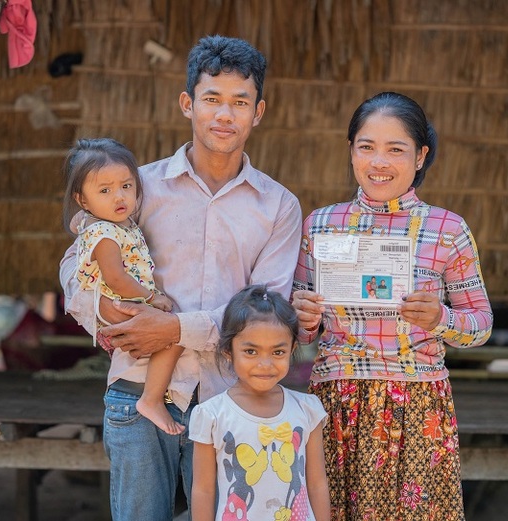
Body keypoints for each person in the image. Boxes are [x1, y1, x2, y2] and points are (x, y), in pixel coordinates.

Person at [59, 36, 302, 520]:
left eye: (240, 102)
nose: (224, 115)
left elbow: (267, 314)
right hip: (137, 386)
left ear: (259, 112)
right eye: (212, 99)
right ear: (188, 103)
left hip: (231, 397)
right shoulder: (137, 186)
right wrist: (112, 313)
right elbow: (75, 267)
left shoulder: (279, 206)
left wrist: (173, 329)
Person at [291, 92, 493, 520]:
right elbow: (302, 332)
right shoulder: (321, 225)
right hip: (336, 401)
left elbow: (481, 324)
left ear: (420, 156)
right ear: (351, 152)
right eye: (367, 147)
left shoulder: (447, 229)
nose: (379, 162)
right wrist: (302, 318)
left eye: (395, 149)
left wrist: (440, 318)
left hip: (417, 404)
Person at [61, 137, 185, 436]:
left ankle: (152, 396)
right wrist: (152, 297)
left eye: (126, 187)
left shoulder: (111, 223)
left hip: (122, 301)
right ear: (82, 199)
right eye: (105, 190)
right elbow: (116, 278)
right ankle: (151, 400)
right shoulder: (104, 234)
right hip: (122, 302)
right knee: (176, 337)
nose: (119, 197)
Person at [190, 285, 330, 521]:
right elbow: (203, 490)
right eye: (251, 352)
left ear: (292, 349)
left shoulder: (307, 410)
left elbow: (317, 484)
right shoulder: (212, 415)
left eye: (277, 353)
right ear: (228, 351)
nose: (265, 364)